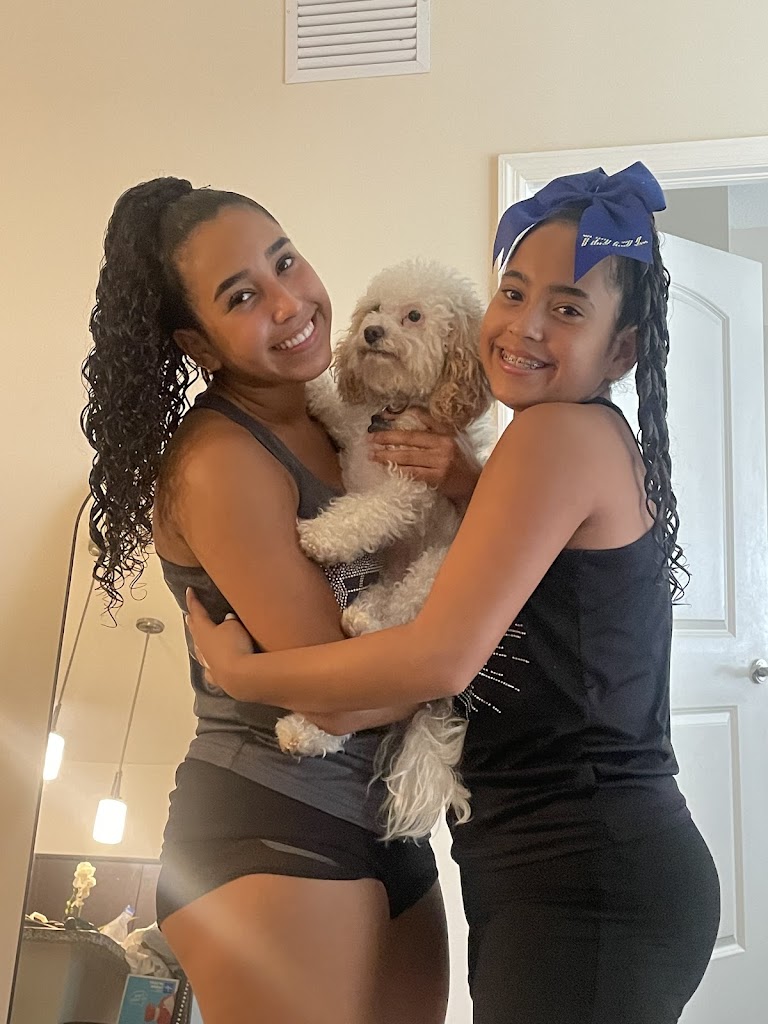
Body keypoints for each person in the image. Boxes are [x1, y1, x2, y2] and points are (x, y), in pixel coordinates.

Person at [187, 163, 722, 1024]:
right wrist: (468, 484)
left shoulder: (552, 436)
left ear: (622, 351)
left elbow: (438, 657)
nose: (525, 325)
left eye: (569, 309)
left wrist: (244, 676)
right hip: (580, 862)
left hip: (582, 872)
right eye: (514, 293)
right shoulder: (569, 438)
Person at [81, 177, 480, 1024]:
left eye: (286, 262)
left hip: (385, 823)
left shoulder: (342, 418)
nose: (290, 302)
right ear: (197, 343)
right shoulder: (222, 462)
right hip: (271, 818)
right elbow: (341, 693)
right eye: (242, 296)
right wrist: (460, 652)